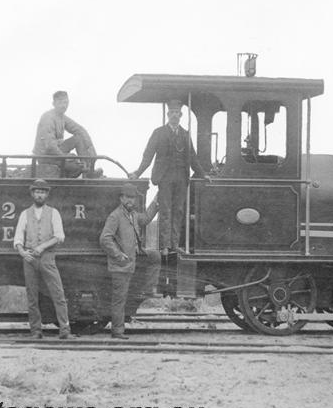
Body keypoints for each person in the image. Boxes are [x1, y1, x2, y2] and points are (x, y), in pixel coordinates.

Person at [132, 100, 207, 255]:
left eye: (177, 113)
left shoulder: (186, 134)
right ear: (168, 115)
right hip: (165, 177)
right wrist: (137, 172)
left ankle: (174, 244)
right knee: (165, 210)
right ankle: (165, 245)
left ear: (180, 115)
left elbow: (192, 157)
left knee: (178, 210)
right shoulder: (158, 133)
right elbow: (148, 155)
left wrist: (203, 174)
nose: (174, 115)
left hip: (181, 177)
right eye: (171, 112)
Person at [99, 184, 160, 339]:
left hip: (132, 259)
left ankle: (148, 288)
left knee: (155, 256)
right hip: (121, 265)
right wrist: (118, 255)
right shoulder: (115, 216)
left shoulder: (132, 215)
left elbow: (145, 218)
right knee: (120, 299)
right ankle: (117, 331)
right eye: (126, 197)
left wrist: (156, 202)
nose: (129, 200)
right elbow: (105, 238)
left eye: (132, 197)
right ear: (121, 198)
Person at [13, 179, 71, 339]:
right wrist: (23, 253)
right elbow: (18, 238)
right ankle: (36, 331)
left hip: (47, 258)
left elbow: (59, 236)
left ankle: (65, 330)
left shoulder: (54, 213)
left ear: (46, 195)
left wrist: (42, 247)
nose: (40, 195)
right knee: (32, 296)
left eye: (43, 192)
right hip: (30, 259)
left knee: (58, 293)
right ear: (33, 194)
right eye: (37, 192)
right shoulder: (25, 214)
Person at [33, 91, 99, 178]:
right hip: (46, 156)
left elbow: (79, 130)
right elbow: (50, 146)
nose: (64, 105)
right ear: (54, 103)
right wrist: (65, 157)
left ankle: (89, 169)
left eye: (66, 102)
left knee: (78, 138)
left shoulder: (62, 117)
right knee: (76, 167)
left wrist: (90, 149)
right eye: (60, 102)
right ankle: (80, 171)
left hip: (55, 152)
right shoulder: (48, 118)